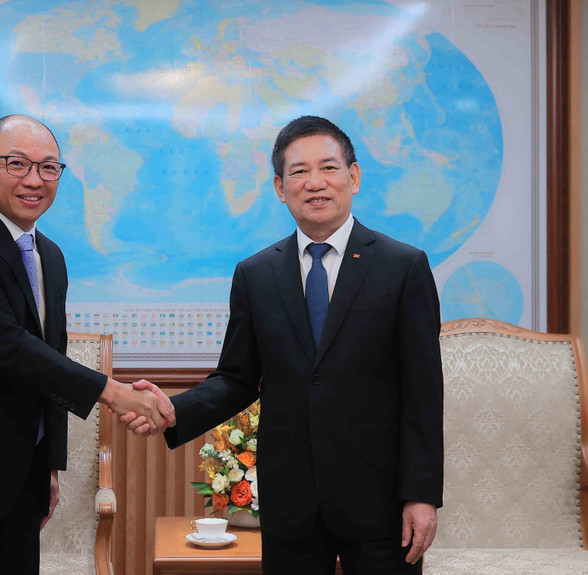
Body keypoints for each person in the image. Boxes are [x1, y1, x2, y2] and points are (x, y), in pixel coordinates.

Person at [127, 116, 443, 574]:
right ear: (280, 187)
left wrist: (421, 494)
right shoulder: (256, 274)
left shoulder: (403, 266)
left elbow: (423, 392)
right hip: (291, 503)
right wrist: (176, 410)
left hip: (381, 502)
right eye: (298, 172)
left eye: (329, 168)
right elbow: (237, 378)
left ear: (353, 177)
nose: (314, 182)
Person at [0, 114, 174, 575]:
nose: (34, 180)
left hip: (20, 483)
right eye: (17, 164)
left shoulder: (50, 255)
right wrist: (116, 392)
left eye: (49, 168)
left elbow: (49, 362)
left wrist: (49, 467)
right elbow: (11, 349)